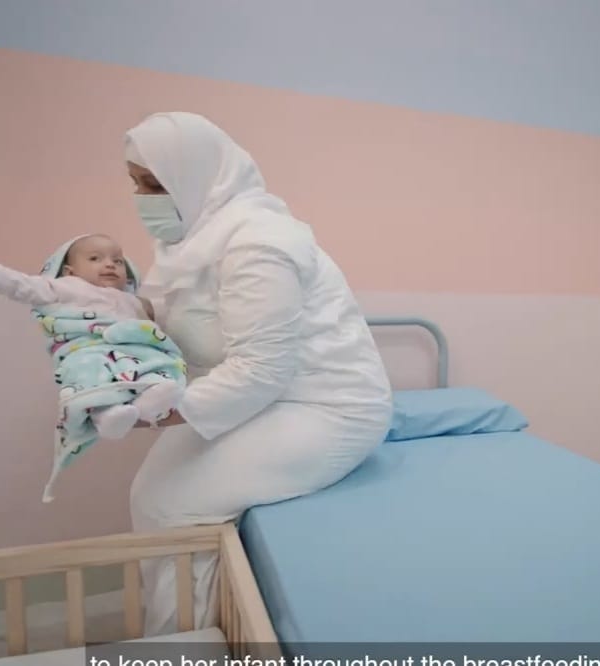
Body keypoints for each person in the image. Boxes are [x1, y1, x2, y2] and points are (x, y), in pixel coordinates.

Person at [121, 112, 394, 635]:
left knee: (171, 504)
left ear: (196, 175)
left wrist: (155, 412)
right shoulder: (193, 242)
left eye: (152, 184)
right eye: (135, 183)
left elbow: (263, 368)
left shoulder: (259, 243)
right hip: (261, 397)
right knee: (147, 491)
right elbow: (199, 326)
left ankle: (189, 641)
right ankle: (177, 627)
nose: (141, 198)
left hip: (328, 408)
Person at [0, 234, 188, 501]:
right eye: (95, 258)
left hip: (131, 353)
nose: (110, 264)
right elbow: (17, 284)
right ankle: (106, 415)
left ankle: (151, 400)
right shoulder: (65, 288)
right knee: (91, 374)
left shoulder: (134, 302)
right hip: (88, 349)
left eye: (118, 260)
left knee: (158, 362)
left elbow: (171, 317)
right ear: (70, 270)